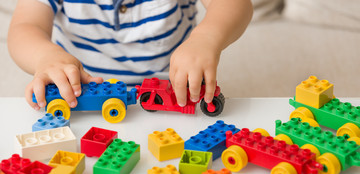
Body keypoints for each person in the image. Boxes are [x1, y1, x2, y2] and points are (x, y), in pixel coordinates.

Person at [8, 0, 253, 110]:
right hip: (79, 93)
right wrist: (44, 56)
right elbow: (25, 27)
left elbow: (235, 4)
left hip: (172, 92)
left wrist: (207, 37)